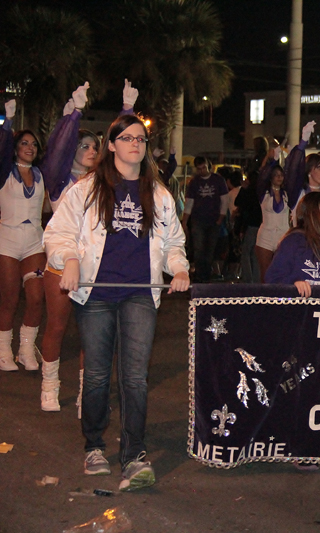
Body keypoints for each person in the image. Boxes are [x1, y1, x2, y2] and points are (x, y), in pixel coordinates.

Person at [43, 114, 190, 491]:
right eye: (126, 138)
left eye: (140, 138)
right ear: (111, 144)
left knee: (135, 378)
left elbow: (174, 243)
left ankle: (134, 455)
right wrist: (70, 260)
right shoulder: (87, 189)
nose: (135, 144)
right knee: (95, 375)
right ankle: (94, 446)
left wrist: (179, 269)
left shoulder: (158, 193)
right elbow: (57, 233)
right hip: (95, 295)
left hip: (140, 293)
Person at [40, 81, 138, 412]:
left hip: (95, 268)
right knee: (56, 326)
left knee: (93, 338)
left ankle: (87, 393)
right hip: (60, 265)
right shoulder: (57, 178)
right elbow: (56, 151)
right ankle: (49, 386)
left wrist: (127, 111)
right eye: (84, 146)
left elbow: (124, 149)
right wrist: (75, 113)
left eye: (95, 146)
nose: (92, 151)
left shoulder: (104, 182)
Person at [0, 99, 46, 374]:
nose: (29, 148)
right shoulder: (4, 172)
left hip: (33, 242)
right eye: (24, 143)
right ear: (16, 147)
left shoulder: (42, 174)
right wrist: (8, 123)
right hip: (7, 240)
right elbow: (2, 150)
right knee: (8, 299)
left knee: (37, 297)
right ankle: (3, 349)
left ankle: (26, 348)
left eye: (33, 144)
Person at [181, 156, 229, 282]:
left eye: (204, 168)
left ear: (208, 166)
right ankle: (200, 275)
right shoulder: (194, 182)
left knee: (209, 249)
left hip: (213, 220)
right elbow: (189, 202)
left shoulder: (218, 180)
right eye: (199, 169)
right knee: (198, 248)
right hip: (198, 219)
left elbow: (224, 201)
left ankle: (205, 275)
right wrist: (185, 220)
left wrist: (220, 218)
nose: (202, 171)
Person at [254, 164, 290, 279]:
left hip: (283, 235)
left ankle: (281, 296)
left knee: (283, 271)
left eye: (281, 175)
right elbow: (261, 178)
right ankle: (265, 296)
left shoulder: (287, 194)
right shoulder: (263, 193)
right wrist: (272, 160)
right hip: (266, 236)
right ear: (270, 177)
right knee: (265, 273)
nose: (279, 178)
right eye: (275, 175)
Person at [235, 172, 262, 283]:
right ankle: (255, 278)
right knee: (254, 253)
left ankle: (248, 278)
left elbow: (239, 203)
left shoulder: (248, 192)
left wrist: (243, 189)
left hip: (250, 225)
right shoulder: (260, 191)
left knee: (246, 251)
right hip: (260, 224)